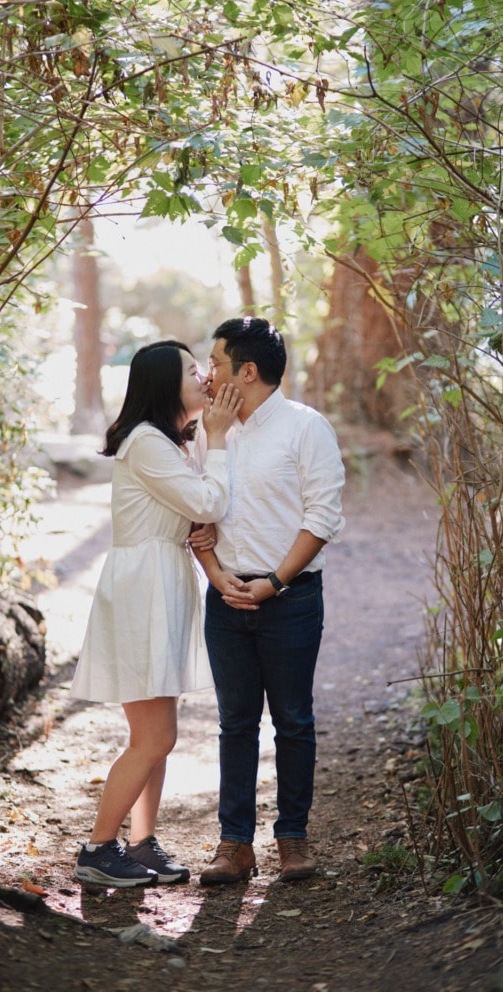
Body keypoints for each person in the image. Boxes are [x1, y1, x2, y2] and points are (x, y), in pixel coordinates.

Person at [70, 340, 242, 889]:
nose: (205, 376)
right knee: (152, 737)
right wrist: (215, 438)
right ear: (167, 385)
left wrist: (207, 451)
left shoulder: (170, 441)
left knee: (159, 733)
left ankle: (141, 842)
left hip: (160, 584)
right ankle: (99, 848)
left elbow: (200, 509)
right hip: (144, 588)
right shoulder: (146, 443)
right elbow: (208, 504)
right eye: (195, 370)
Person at [195, 317, 345, 885]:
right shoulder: (209, 431)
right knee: (235, 723)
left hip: (291, 598)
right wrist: (216, 574)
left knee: (293, 720)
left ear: (247, 371)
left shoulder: (307, 428)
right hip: (226, 598)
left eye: (216, 363)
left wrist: (276, 582)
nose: (208, 374)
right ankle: (234, 845)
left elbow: (322, 517)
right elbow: (196, 516)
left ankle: (292, 839)